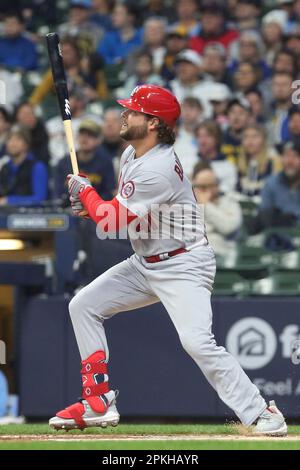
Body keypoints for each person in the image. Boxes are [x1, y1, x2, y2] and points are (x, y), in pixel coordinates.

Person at [49, 85, 287, 435]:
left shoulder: (157, 166)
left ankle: (262, 412)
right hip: (146, 261)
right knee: (83, 305)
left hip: (183, 264)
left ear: (153, 124)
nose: (124, 114)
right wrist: (93, 207)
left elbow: (112, 221)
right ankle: (97, 401)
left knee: (196, 341)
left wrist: (87, 193)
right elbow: (119, 213)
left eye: (133, 111)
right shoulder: (132, 155)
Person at [54, 119, 115, 206]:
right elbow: (58, 193)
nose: (85, 138)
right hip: (69, 210)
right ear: (77, 137)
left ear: (98, 140)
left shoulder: (105, 162)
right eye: (82, 134)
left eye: (90, 135)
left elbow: (109, 192)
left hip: (96, 210)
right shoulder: (65, 162)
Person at [192, 162, 242, 255]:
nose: (207, 190)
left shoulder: (230, 202)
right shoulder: (187, 204)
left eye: (212, 185)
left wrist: (206, 205)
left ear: (217, 185)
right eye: (202, 187)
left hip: (222, 256)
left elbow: (228, 227)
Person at [0, 127, 48, 206]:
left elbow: (40, 199)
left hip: (31, 215)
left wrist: (9, 200)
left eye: (18, 139)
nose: (12, 143)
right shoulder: (5, 167)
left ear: (26, 144)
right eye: (9, 139)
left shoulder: (37, 167)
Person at [259, 141, 300, 224]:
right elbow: (263, 214)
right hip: (277, 233)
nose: (290, 161)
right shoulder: (271, 183)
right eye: (286, 155)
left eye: (296, 156)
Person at [237, 124, 282, 196]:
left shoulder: (274, 160)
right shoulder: (241, 161)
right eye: (246, 137)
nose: (250, 141)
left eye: (255, 136)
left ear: (264, 140)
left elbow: (277, 190)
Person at [196, 120, 237, 193]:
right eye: (199, 136)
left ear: (217, 139)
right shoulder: (188, 161)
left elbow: (226, 192)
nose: (202, 141)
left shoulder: (228, 167)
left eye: (207, 136)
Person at [169, 49, 212, 116]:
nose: (182, 68)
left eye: (187, 64)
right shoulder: (169, 88)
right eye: (179, 65)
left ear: (198, 68)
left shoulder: (213, 88)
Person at [174, 96, 203, 178]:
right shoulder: (174, 133)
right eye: (184, 108)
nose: (187, 112)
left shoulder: (206, 135)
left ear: (200, 111)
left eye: (191, 108)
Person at [221, 98, 251, 165]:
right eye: (233, 112)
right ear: (227, 115)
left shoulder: (253, 139)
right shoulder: (220, 138)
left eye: (241, 113)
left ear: (248, 116)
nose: (236, 117)